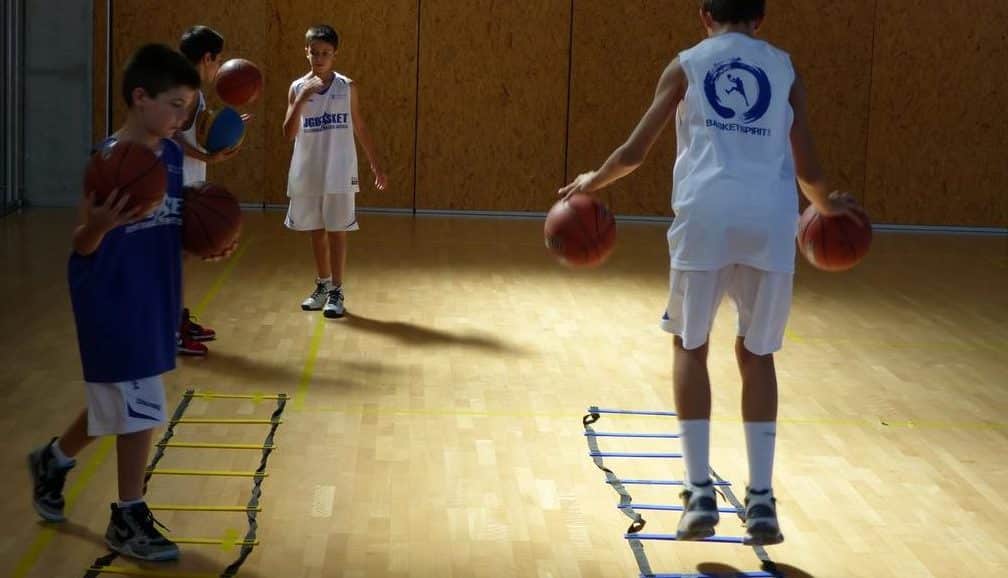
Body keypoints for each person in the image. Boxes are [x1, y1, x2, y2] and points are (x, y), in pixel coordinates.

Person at [558, 0, 863, 546]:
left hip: (706, 217)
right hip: (769, 222)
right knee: (757, 355)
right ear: (760, 18)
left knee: (689, 347)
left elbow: (634, 151)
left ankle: (699, 491)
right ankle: (763, 500)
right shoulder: (784, 68)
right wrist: (828, 207)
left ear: (704, 15)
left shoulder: (687, 63)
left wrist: (591, 181)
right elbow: (809, 171)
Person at [27, 44, 201, 561]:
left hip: (154, 293)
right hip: (107, 295)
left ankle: (54, 460)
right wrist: (100, 225)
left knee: (116, 401)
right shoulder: (107, 162)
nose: (182, 117)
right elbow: (82, 244)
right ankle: (128, 514)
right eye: (174, 104)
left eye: (188, 107)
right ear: (140, 97)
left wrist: (205, 242)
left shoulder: (172, 156)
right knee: (140, 406)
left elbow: (173, 228)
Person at [282, 24, 387, 319]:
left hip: (340, 170)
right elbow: (288, 133)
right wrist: (302, 97)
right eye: (314, 52)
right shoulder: (296, 87)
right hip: (309, 170)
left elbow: (360, 126)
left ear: (335, 55)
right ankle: (322, 285)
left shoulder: (347, 87)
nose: (319, 58)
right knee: (317, 231)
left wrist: (375, 164)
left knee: (337, 232)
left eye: (325, 53)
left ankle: (337, 291)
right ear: (306, 52)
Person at [175, 25, 248, 356]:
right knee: (174, 260)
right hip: (175, 183)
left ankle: (178, 319)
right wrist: (208, 157)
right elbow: (170, 135)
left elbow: (202, 127)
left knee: (182, 259)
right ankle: (171, 330)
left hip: (189, 181)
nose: (218, 68)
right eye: (217, 61)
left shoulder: (194, 92)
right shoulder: (183, 91)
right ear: (206, 58)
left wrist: (230, 124)